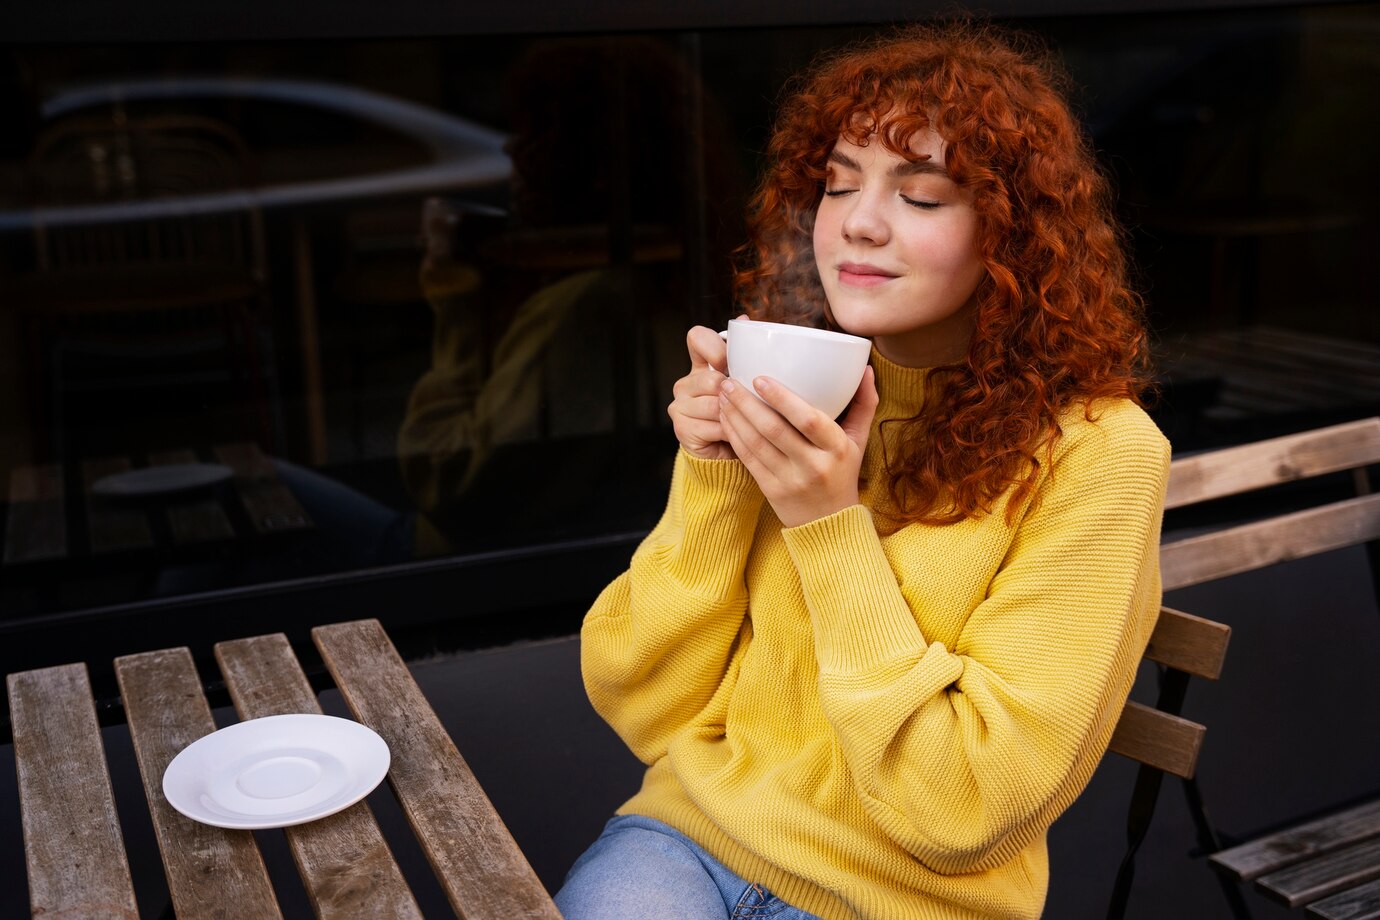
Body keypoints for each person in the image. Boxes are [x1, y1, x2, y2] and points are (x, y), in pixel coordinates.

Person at [558, 20, 1171, 920]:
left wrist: (827, 524)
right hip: (689, 838)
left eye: (920, 197)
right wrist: (715, 470)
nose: (858, 222)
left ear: (1011, 235)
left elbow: (968, 810)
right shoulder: (809, 388)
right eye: (839, 185)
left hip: (904, 898)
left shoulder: (1099, 455)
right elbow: (640, 700)